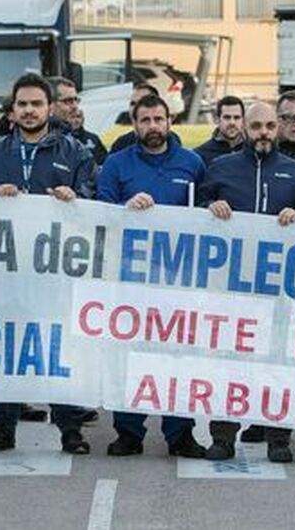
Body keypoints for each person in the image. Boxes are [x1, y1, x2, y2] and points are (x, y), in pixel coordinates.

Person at [0, 74, 97, 455]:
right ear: (13, 110)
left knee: (59, 350)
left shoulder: (73, 152)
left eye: (36, 104)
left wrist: (76, 196)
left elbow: (93, 194)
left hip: (57, 270)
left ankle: (70, 428)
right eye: (22, 104)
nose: (29, 110)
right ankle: (3, 427)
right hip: (7, 270)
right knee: (11, 351)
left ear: (49, 108)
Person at [195, 102, 295, 464]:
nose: (263, 132)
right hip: (231, 288)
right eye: (256, 125)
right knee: (228, 364)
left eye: (270, 126)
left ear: (278, 128)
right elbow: (194, 209)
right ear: (244, 128)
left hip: (280, 291)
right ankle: (223, 436)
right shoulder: (220, 168)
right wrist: (210, 207)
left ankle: (279, 438)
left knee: (279, 363)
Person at [96, 93, 207, 460]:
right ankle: (128, 432)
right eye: (145, 121)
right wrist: (126, 210)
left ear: (170, 121)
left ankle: (180, 434)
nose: (153, 127)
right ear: (134, 122)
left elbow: (207, 212)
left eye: (159, 119)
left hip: (179, 282)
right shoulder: (116, 164)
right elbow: (102, 213)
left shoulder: (192, 163)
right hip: (131, 281)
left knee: (178, 359)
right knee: (129, 358)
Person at [49, 77, 107, 167]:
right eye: (68, 101)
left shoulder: (82, 140)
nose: (75, 106)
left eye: (76, 100)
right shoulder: (37, 139)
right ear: (50, 104)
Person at [110, 83, 180, 154]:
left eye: (142, 102)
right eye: (132, 103)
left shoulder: (170, 141)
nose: (135, 108)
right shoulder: (121, 144)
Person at [194, 96, 245, 165]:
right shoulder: (200, 155)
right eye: (227, 117)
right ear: (217, 119)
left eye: (237, 117)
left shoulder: (252, 151)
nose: (232, 122)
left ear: (243, 120)